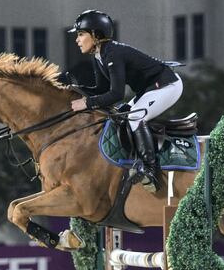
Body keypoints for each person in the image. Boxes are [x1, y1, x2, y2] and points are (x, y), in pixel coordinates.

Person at [61, 10, 183, 193]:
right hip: (149, 89)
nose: (77, 40)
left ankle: (150, 170)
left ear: (95, 35)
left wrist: (87, 103)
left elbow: (117, 94)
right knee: (122, 115)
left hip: (167, 85)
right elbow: (102, 90)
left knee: (135, 118)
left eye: (80, 34)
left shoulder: (112, 53)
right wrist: (74, 90)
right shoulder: (98, 55)